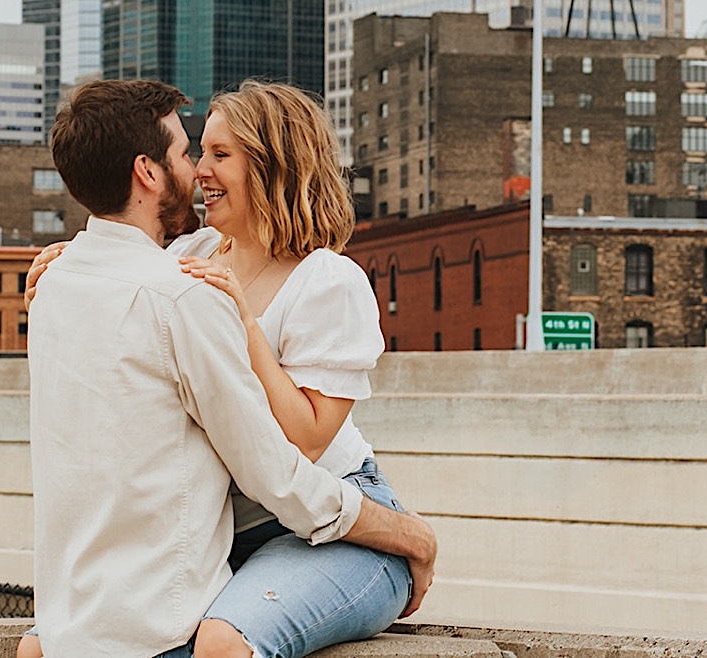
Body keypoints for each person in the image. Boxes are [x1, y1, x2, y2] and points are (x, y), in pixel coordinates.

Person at [22, 79, 435, 658]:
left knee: (221, 641)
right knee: (46, 643)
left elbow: (306, 443)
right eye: (197, 153)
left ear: (270, 166)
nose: (200, 173)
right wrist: (69, 263)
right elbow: (128, 271)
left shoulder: (328, 281)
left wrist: (242, 324)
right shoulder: (190, 256)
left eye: (220, 154)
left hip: (332, 521)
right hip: (225, 530)